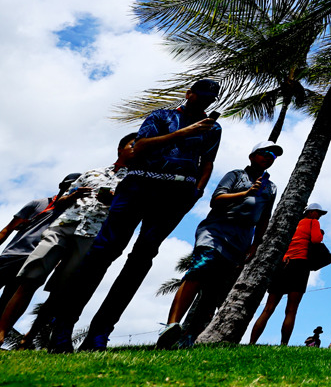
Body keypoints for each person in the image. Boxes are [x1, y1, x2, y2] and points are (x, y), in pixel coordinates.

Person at [47, 79, 223, 353]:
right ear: (189, 94)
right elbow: (139, 148)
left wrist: (197, 192)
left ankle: (99, 334)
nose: (204, 101)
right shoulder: (161, 116)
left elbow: (208, 161)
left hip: (176, 194)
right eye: (199, 96)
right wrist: (184, 132)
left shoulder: (213, 128)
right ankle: (62, 330)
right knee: (102, 253)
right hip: (138, 186)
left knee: (141, 259)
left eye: (209, 98)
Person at [0, 136, 135, 347]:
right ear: (120, 149)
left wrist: (114, 201)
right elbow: (61, 201)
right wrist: (72, 197)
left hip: (91, 234)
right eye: (132, 145)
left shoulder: (134, 182)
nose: (137, 149)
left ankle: (30, 337)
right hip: (63, 227)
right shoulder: (92, 173)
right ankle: (1, 332)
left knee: (61, 291)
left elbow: (130, 212)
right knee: (29, 280)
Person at [156, 140, 281, 350]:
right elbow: (217, 200)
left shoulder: (271, 187)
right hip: (216, 230)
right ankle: (171, 325)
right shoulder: (235, 175)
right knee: (199, 271)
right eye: (265, 152)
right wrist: (246, 193)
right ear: (252, 156)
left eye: (273, 155)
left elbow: (264, 219)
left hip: (241, 239)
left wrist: (256, 244)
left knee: (214, 291)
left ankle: (189, 336)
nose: (269, 156)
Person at [0, 172, 83, 314]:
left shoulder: (76, 214)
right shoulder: (39, 204)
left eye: (74, 187)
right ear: (61, 186)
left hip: (35, 261)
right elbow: (8, 229)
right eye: (68, 186)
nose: (70, 189)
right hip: (12, 255)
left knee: (7, 304)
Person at [249, 203, 327, 346]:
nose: (319, 216)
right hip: (300, 266)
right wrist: (320, 233)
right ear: (311, 212)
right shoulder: (313, 222)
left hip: (283, 264)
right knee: (291, 310)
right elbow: (316, 240)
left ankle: (252, 342)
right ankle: (284, 344)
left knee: (268, 308)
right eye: (318, 213)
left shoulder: (292, 223)